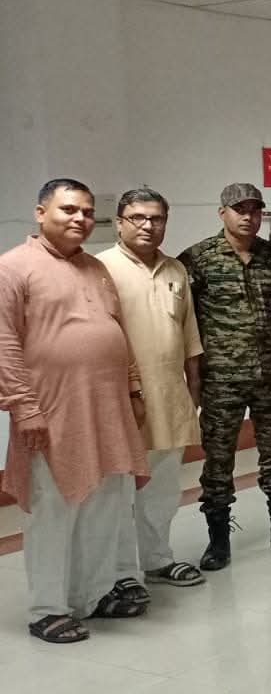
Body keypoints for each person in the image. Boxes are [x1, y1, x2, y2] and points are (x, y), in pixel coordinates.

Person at [0, 179, 149, 642]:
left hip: (107, 408)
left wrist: (133, 389)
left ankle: (94, 594)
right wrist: (24, 408)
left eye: (86, 211)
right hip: (52, 410)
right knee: (53, 509)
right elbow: (4, 343)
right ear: (40, 212)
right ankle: (48, 609)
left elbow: (118, 331)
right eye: (68, 209)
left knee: (105, 503)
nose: (80, 218)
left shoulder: (95, 267)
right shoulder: (12, 267)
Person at [181, 183, 271, 569]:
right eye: (239, 209)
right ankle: (218, 540)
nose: (248, 217)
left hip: (270, 372)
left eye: (254, 210)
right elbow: (185, 319)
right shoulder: (198, 258)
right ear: (223, 213)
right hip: (221, 377)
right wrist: (192, 376)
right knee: (218, 459)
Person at [100, 186, 206, 591]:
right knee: (119, 491)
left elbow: (189, 335)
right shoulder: (100, 268)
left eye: (156, 218)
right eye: (138, 218)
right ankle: (121, 573)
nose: (148, 225)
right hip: (122, 400)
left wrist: (193, 390)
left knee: (162, 488)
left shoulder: (175, 270)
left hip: (170, 395)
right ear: (119, 223)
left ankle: (158, 559)